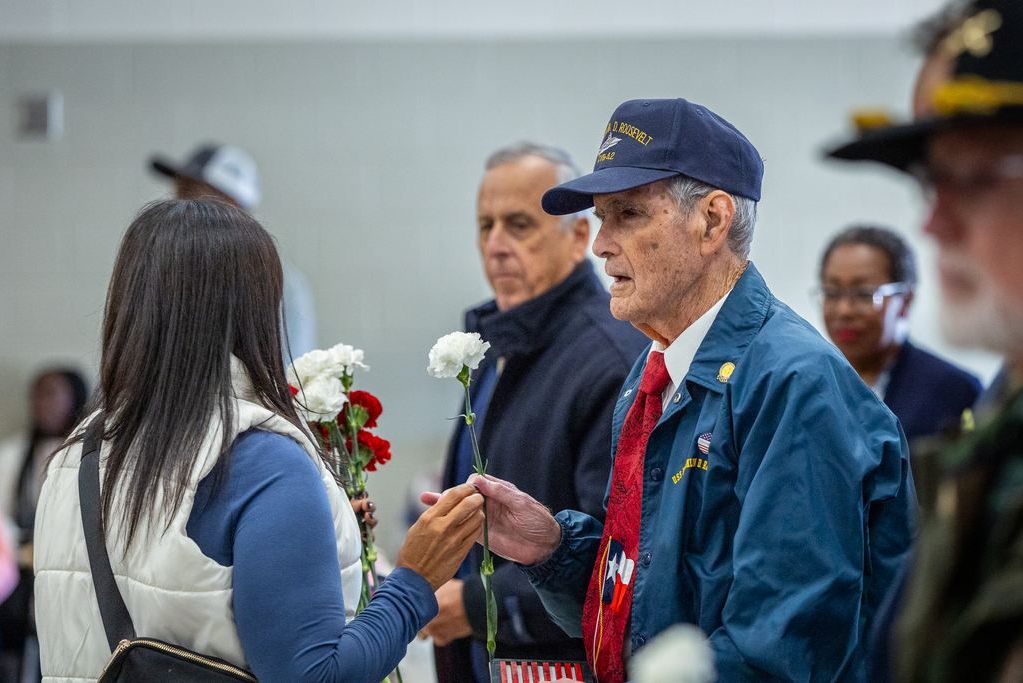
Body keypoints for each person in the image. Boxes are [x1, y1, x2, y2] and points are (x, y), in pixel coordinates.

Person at [428, 98, 917, 683]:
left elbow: (782, 650)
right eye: (601, 217)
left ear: (712, 221)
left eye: (627, 214)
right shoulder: (653, 369)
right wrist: (553, 548)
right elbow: (646, 598)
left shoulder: (794, 382)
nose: (600, 243)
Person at [31, 199, 484, 683]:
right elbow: (316, 677)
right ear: (257, 311)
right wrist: (413, 581)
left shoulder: (76, 452)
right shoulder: (261, 460)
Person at [828, 0, 1023, 681]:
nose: (932, 221)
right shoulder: (1004, 409)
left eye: (974, 176)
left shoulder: (960, 394)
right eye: (928, 177)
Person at [424, 143, 648, 682]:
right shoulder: (500, 342)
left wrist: (477, 605)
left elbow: (616, 555)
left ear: (576, 237)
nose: (496, 245)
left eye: (519, 225)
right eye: (485, 225)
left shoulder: (611, 360)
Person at [149, 143, 318, 360]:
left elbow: (292, 374)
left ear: (232, 204)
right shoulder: (165, 267)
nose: (178, 204)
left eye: (192, 194)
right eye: (179, 191)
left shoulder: (281, 283)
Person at [818, 225, 981, 442]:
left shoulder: (956, 391)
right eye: (832, 293)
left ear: (905, 300)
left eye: (864, 293)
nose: (844, 310)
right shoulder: (806, 383)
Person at [0, 368, 88, 683]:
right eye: (36, 394)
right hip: (16, 578)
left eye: (51, 393)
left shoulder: (89, 458)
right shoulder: (11, 455)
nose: (41, 403)